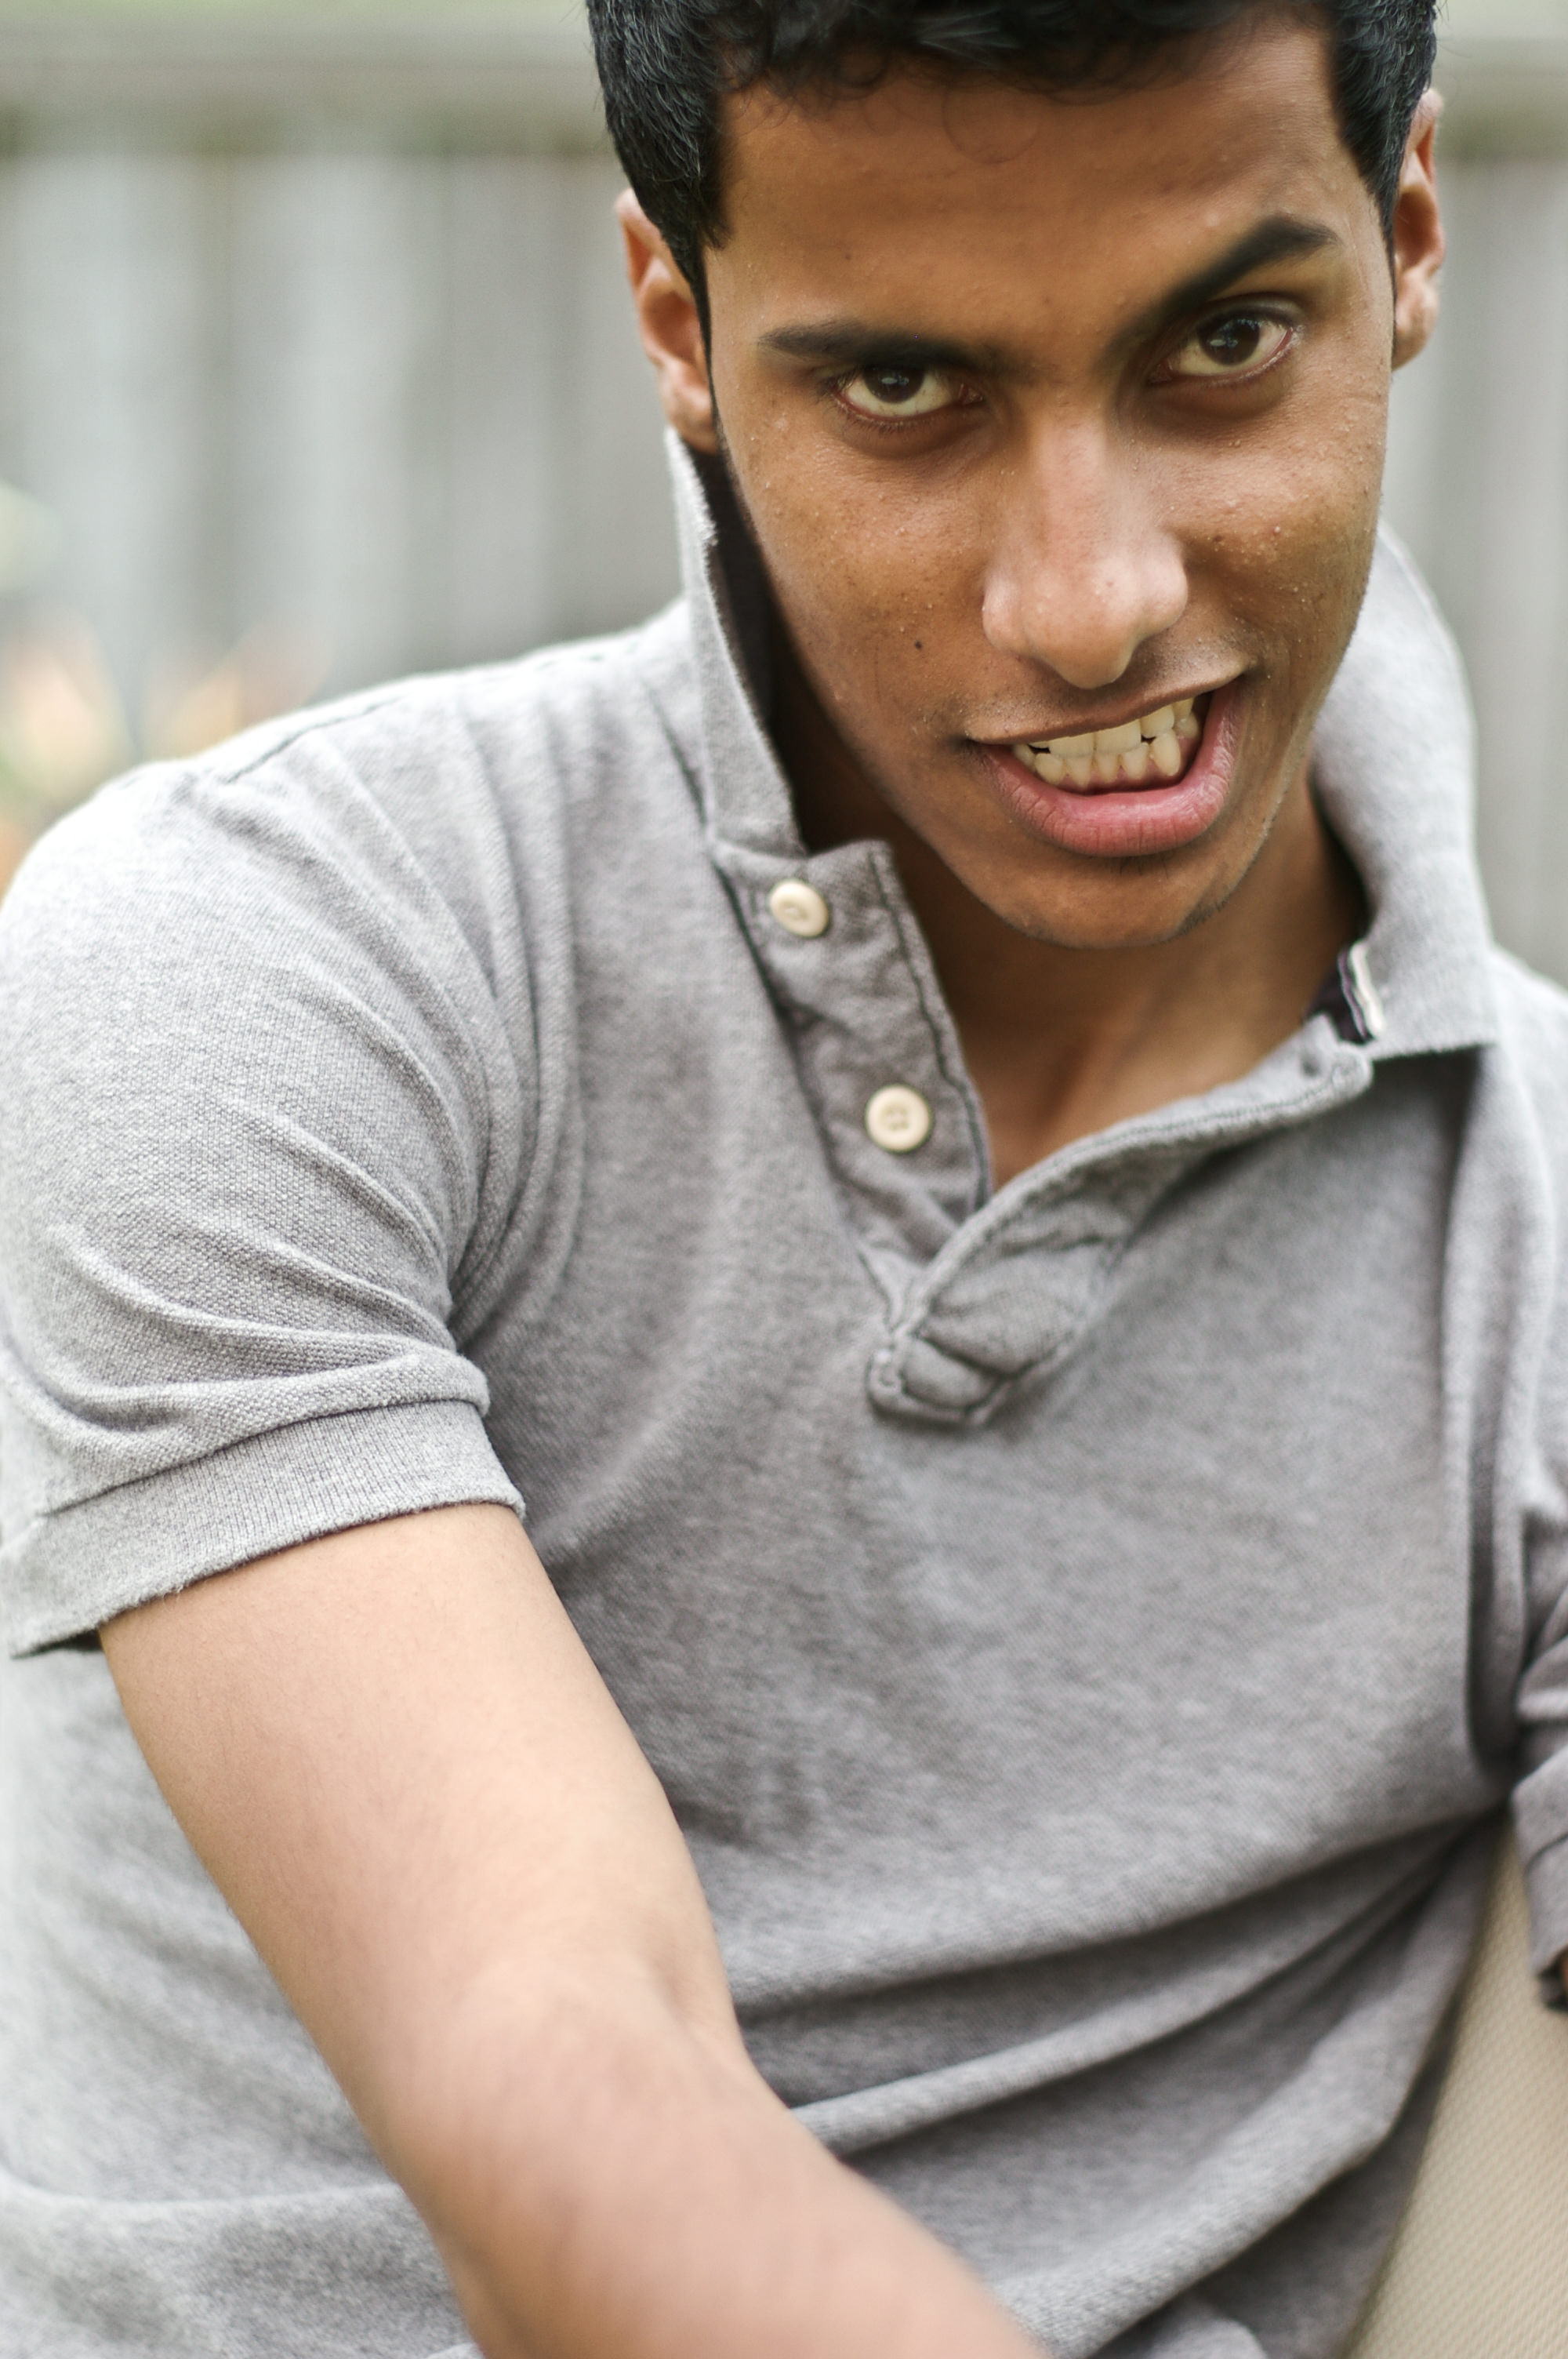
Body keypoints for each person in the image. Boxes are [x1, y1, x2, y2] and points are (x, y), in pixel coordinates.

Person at [0, 2, 1559, 2354]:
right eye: (907, 389)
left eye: (1224, 344)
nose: (1091, 600)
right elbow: (559, 2104)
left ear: (1409, 230)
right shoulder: (276, 956)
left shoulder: (1541, 1252)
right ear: (680, 326)